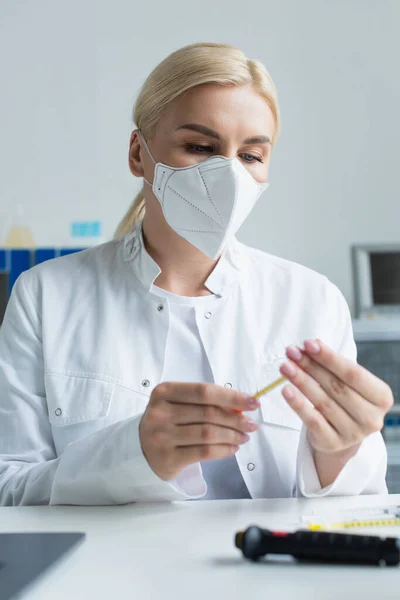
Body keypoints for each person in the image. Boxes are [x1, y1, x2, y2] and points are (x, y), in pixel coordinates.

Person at [0, 43, 393, 506]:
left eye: (250, 155)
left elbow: (363, 508)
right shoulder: (46, 296)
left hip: (272, 572)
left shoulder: (311, 300)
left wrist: (339, 454)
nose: (227, 174)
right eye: (200, 147)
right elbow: (9, 490)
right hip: (107, 576)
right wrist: (132, 457)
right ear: (137, 154)